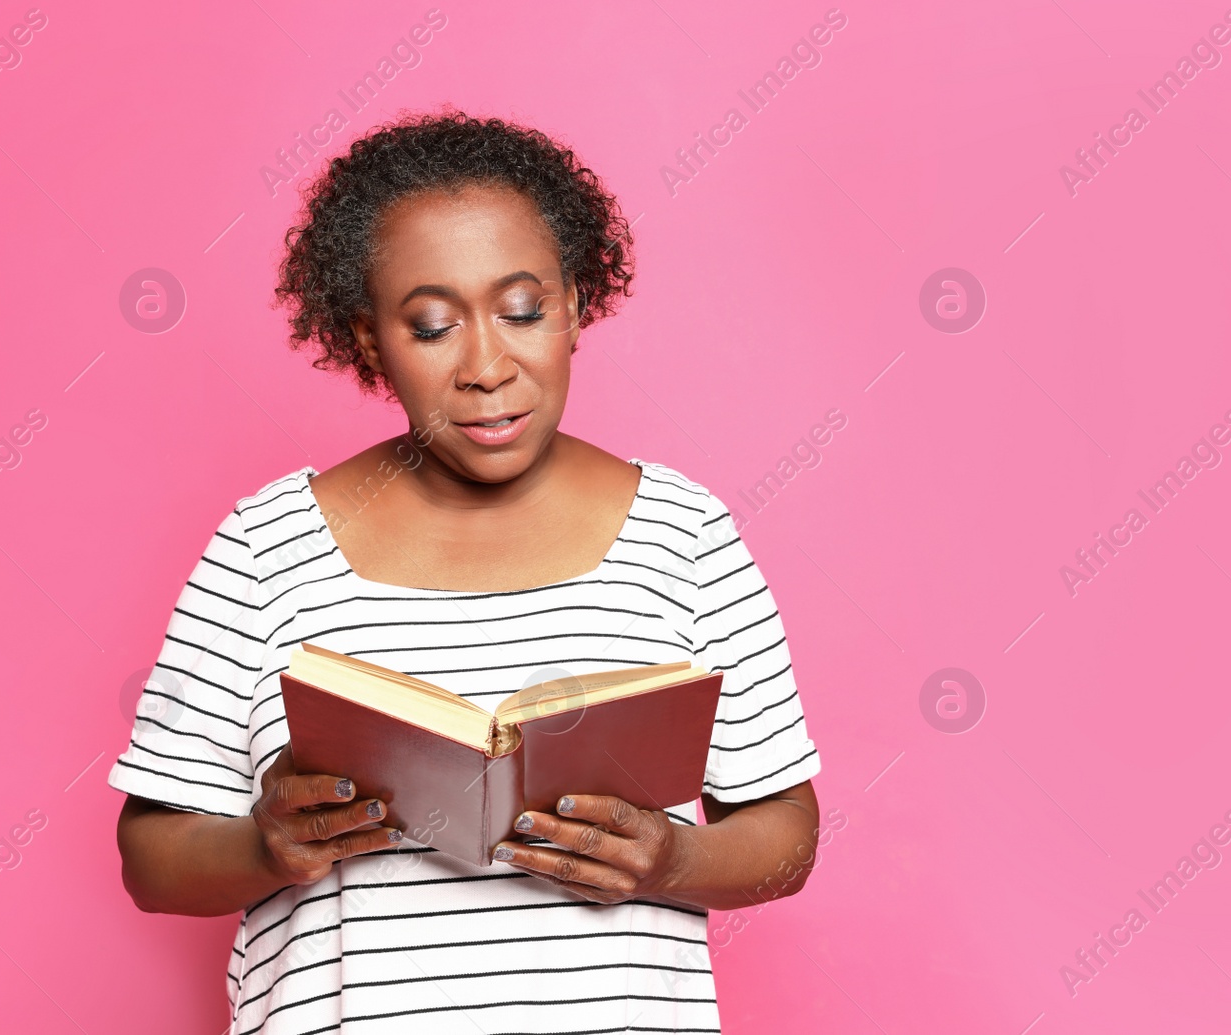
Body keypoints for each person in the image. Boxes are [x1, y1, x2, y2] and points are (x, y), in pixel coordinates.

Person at [110, 110, 823, 1034]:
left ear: (574, 305)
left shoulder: (684, 534)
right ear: (369, 342)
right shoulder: (264, 545)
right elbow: (150, 861)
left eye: (523, 310)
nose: (487, 366)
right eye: (433, 326)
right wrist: (267, 844)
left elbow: (788, 838)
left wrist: (669, 863)